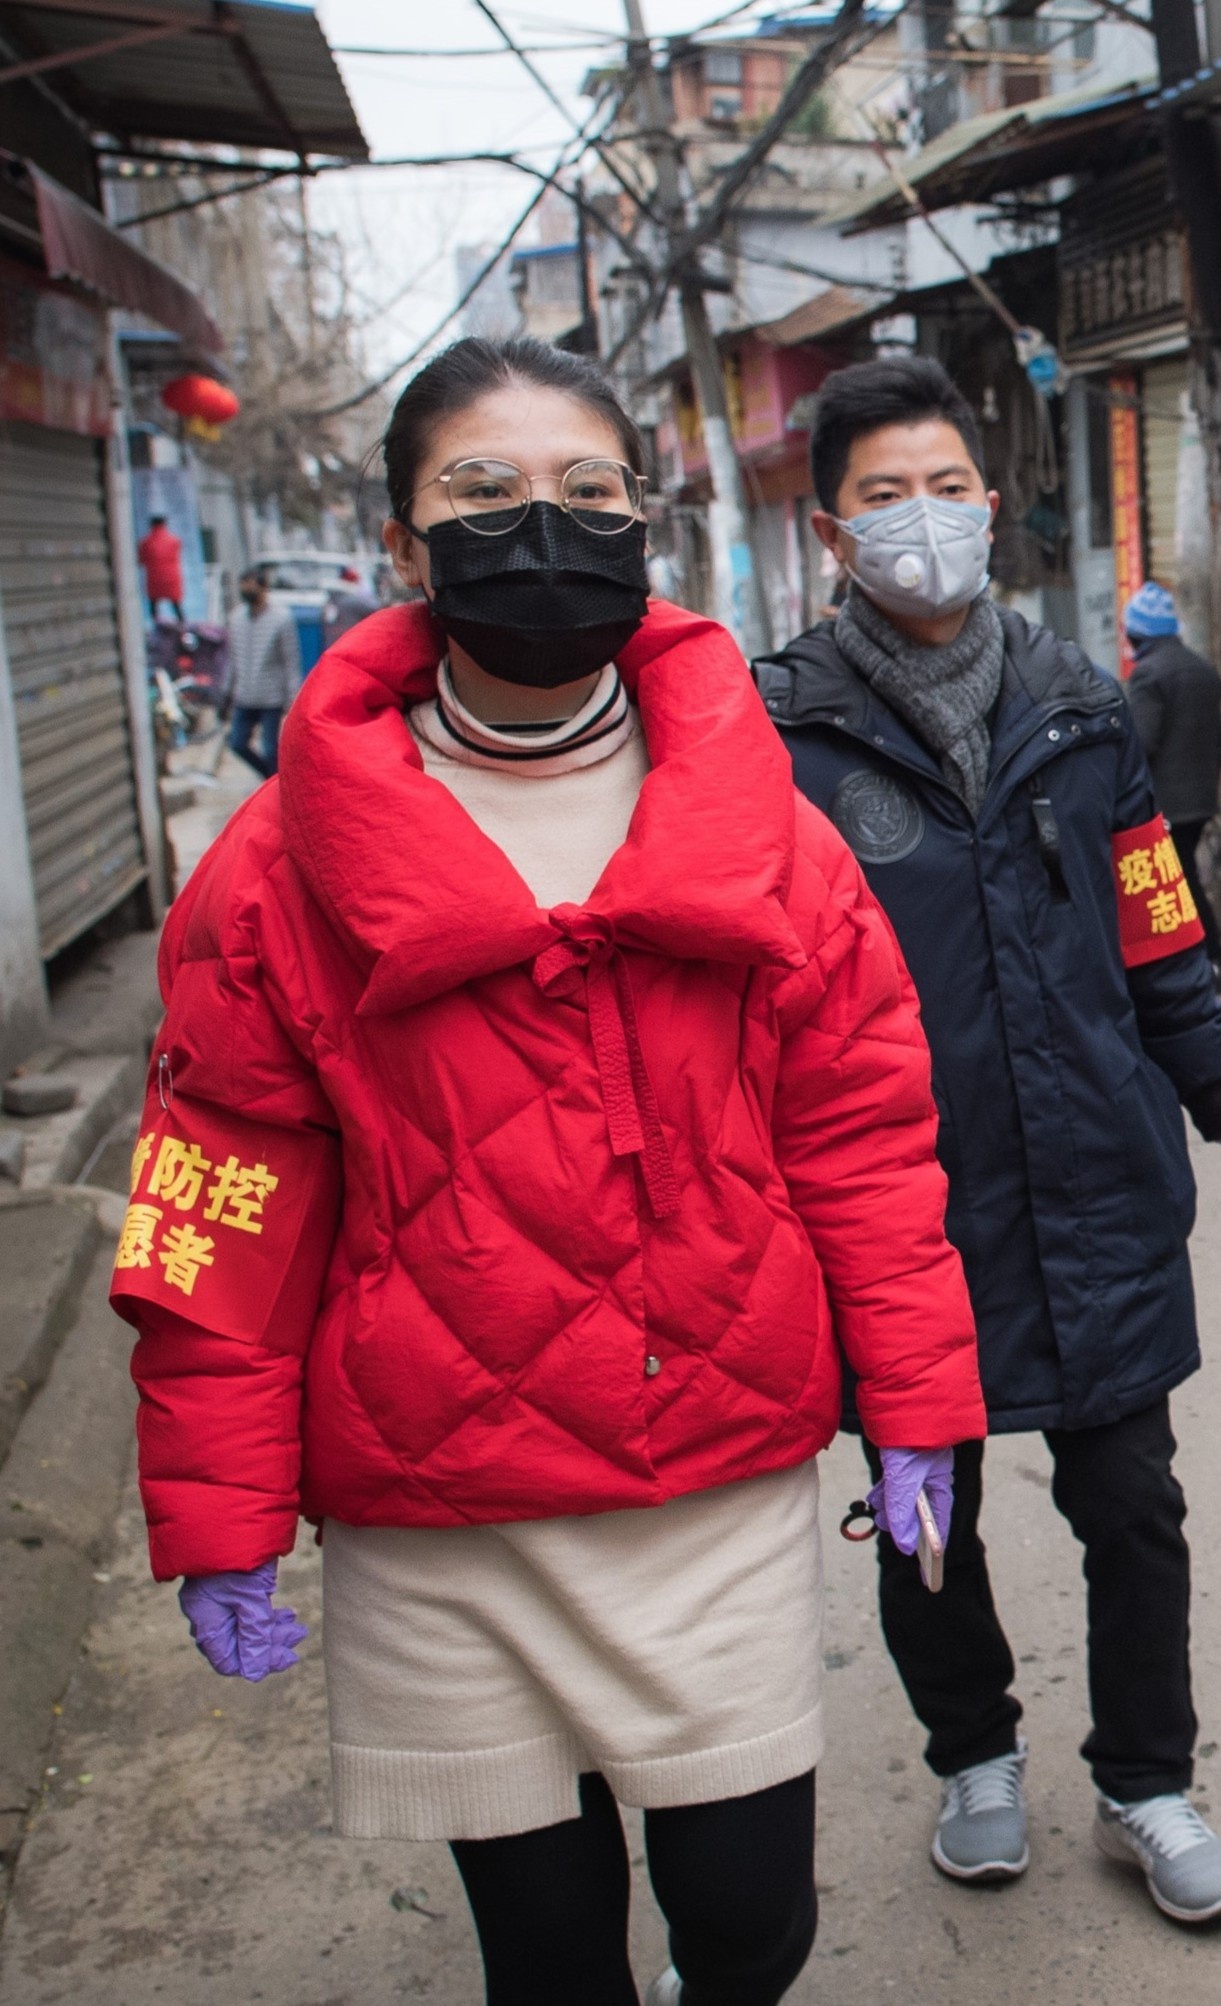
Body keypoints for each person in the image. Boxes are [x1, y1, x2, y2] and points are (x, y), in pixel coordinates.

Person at [111, 334, 985, 2006]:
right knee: (550, 1959)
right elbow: (217, 1197)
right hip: (441, 1515)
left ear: (642, 527)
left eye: (589, 493)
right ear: (401, 544)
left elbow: (863, 1138)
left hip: (712, 1475)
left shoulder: (762, 827)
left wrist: (924, 1398)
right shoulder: (276, 870)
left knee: (751, 1927)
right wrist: (213, 1503)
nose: (542, 528)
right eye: (484, 492)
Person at [757, 357, 1221, 1927]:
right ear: (833, 533)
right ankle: (972, 1753)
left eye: (946, 487)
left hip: (1100, 1184)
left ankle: (1148, 1779)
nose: (924, 521)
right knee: (930, 1515)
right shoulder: (780, 737)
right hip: (903, 1209)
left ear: (992, 503)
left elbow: (1160, 933)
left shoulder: (1081, 707)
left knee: (1134, 1502)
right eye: (882, 496)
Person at [1121, 579, 1221, 992]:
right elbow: (1218, 740)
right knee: (1182, 881)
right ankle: (1204, 961)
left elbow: (1141, 742)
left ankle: (1210, 962)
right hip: (1200, 799)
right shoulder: (1202, 669)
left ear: (1139, 633)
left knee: (1177, 886)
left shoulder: (1149, 675)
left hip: (1166, 803)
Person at [224, 566, 300, 778]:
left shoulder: (281, 619)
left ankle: (276, 787)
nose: (247, 591)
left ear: (264, 588)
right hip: (244, 696)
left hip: (271, 697)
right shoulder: (236, 619)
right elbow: (232, 659)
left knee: (271, 749)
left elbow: (290, 661)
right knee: (237, 743)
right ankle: (272, 780)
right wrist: (226, 692)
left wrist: (292, 700)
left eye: (252, 586)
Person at [322, 562, 379, 654]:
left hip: (332, 648)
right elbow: (376, 608)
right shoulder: (352, 600)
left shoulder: (331, 600)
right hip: (350, 646)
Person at [139, 512, 186, 623]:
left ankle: (157, 629)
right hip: (172, 578)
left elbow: (142, 561)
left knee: (154, 606)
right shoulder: (174, 541)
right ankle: (183, 631)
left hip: (154, 579)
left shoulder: (146, 542)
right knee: (176, 605)